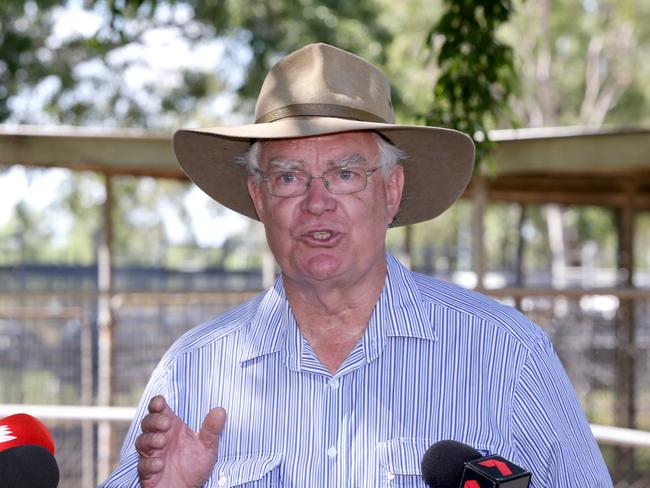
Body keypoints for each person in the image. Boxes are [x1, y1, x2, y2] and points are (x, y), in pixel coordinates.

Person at [101, 43, 612, 487]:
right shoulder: (192, 372)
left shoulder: (507, 355)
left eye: (345, 174)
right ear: (258, 198)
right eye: (287, 178)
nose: (316, 202)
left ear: (391, 191)